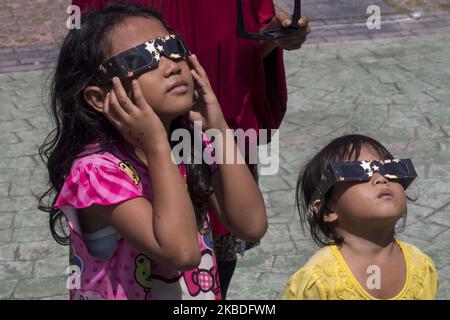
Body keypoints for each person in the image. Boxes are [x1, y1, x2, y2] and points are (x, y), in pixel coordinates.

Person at [71, 0, 310, 298]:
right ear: (97, 96)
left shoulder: (193, 144)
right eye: (141, 59)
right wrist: (157, 145)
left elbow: (251, 225)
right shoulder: (96, 171)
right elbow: (182, 253)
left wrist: (219, 128)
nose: (170, 66)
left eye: (173, 48)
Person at [283, 134, 439, 300]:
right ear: (326, 210)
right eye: (358, 171)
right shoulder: (316, 280)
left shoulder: (422, 267)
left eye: (391, 170)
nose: (381, 178)